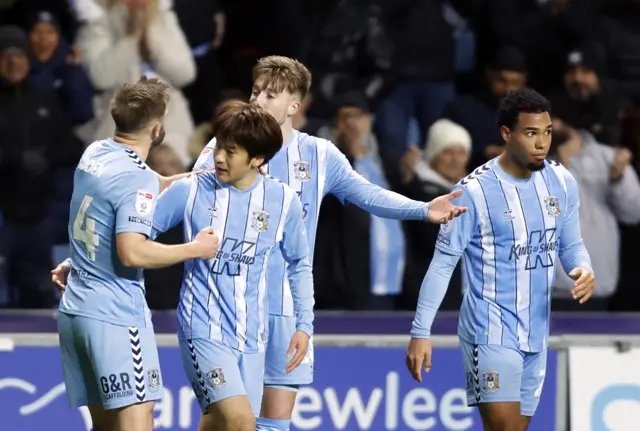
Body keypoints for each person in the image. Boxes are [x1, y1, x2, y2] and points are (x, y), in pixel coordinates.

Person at [193, 55, 468, 431]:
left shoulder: (319, 155)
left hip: (289, 310)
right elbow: (190, 200)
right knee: (225, 421)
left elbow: (367, 194)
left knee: (274, 423)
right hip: (231, 307)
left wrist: (423, 209)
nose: (258, 101)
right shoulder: (222, 147)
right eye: (255, 91)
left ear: (295, 105)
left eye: (270, 95)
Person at [405, 88, 596, 431]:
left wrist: (583, 269)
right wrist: (420, 332)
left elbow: (570, 245)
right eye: (531, 133)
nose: (542, 143)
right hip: (490, 331)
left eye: (548, 132)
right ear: (507, 134)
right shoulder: (473, 192)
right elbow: (443, 263)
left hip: (536, 332)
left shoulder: (562, 183)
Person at [54, 76, 219, 431]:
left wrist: (192, 177)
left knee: (106, 426)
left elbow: (124, 193)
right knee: (137, 420)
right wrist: (195, 248)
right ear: (157, 129)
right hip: (117, 315)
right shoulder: (136, 179)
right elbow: (131, 252)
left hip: (77, 313)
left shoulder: (96, 153)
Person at [153, 101, 314, 431]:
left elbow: (299, 263)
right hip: (203, 329)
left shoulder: (282, 200)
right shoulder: (192, 190)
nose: (219, 157)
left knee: (219, 426)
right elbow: (135, 233)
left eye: (232, 151)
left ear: (258, 159)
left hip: (252, 338)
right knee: (242, 423)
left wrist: (304, 325)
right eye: (219, 147)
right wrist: (77, 262)